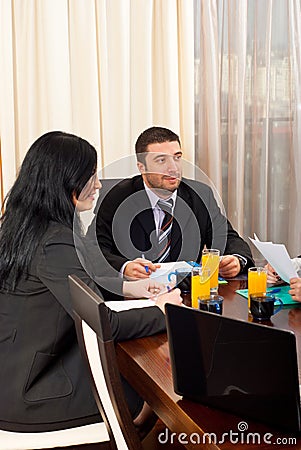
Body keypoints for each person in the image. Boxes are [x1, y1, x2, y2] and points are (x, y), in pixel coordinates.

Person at [0, 131, 182, 433]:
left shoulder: (29, 226)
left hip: (16, 372)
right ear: (67, 181)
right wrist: (160, 309)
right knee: (161, 383)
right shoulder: (53, 241)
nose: (97, 184)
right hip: (33, 392)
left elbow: (80, 283)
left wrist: (128, 287)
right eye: (91, 176)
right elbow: (102, 321)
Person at [93, 126, 254, 280]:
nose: (173, 168)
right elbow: (92, 249)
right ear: (142, 168)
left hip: (187, 294)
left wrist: (236, 260)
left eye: (177, 158)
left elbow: (227, 238)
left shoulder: (200, 195)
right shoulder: (116, 197)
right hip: (136, 296)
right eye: (161, 160)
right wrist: (124, 267)